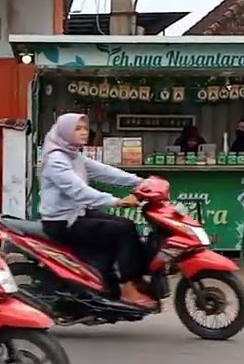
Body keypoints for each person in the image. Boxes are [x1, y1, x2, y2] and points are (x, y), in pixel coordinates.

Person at [39, 112, 156, 309]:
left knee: (127, 225)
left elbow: (104, 171)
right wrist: (114, 201)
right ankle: (127, 290)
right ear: (65, 131)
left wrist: (142, 182)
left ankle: (126, 278)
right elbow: (79, 190)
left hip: (77, 213)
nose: (84, 132)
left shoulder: (73, 154)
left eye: (85, 128)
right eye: (78, 129)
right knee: (122, 231)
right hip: (62, 222)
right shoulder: (56, 160)